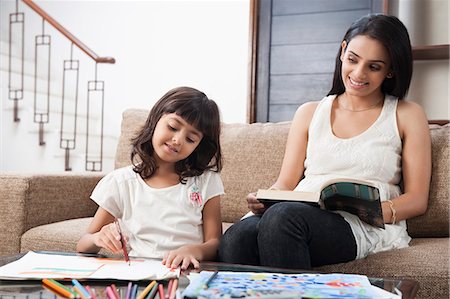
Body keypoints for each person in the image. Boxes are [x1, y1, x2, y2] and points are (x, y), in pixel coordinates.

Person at [218, 14, 431, 269]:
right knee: (236, 237)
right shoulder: (309, 112)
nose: (358, 73)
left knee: (283, 219)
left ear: (391, 70)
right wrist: (265, 199)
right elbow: (286, 182)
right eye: (353, 59)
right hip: (298, 213)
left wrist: (371, 211)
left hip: (360, 224)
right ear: (343, 51)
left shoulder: (406, 114)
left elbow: (417, 199)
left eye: (374, 66)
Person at [77, 86, 224, 270]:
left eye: (190, 139)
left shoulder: (205, 181)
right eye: (173, 127)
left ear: (199, 146)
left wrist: (195, 251)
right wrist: (98, 239)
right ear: (156, 119)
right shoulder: (122, 183)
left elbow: (215, 242)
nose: (178, 140)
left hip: (188, 274)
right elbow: (83, 245)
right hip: (140, 274)